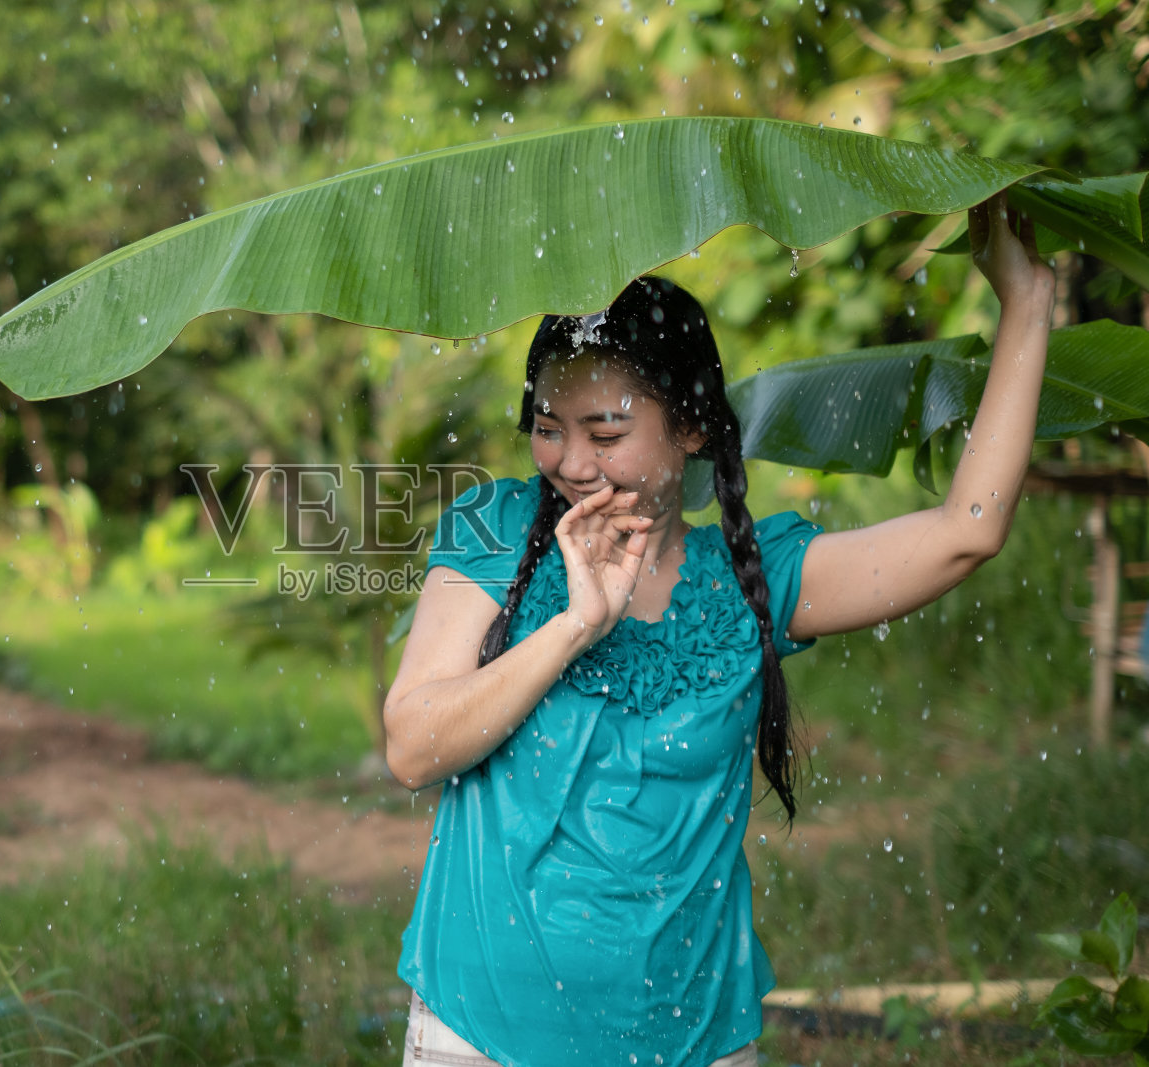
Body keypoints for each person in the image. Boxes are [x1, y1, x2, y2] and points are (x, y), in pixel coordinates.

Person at [382, 195, 1055, 1067]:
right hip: (480, 1035)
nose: (572, 464)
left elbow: (967, 529)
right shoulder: (499, 531)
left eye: (607, 431)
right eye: (548, 428)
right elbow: (412, 746)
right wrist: (577, 626)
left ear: (692, 428)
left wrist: (1029, 304)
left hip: (694, 1043)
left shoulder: (751, 580)